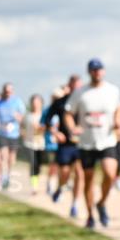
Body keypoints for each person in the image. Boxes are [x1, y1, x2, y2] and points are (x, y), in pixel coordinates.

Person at [65, 59, 120, 229]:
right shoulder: (80, 92)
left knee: (110, 173)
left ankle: (102, 203)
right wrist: (72, 127)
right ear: (89, 72)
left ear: (104, 71)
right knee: (88, 179)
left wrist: (118, 122)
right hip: (86, 142)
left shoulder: (112, 90)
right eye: (94, 70)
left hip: (107, 140)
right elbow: (68, 113)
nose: (97, 72)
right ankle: (90, 215)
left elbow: (118, 109)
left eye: (100, 69)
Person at [45, 75, 85, 218]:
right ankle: (60, 188)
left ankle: (75, 205)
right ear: (69, 86)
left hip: (82, 144)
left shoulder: (85, 103)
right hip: (65, 144)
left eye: (79, 86)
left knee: (80, 173)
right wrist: (55, 133)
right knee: (65, 173)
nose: (76, 89)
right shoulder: (60, 103)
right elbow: (47, 121)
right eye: (74, 86)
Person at [0, 83, 26, 190]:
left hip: (14, 133)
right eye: (6, 91)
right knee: (3, 156)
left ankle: (8, 176)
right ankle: (2, 179)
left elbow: (22, 117)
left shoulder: (18, 101)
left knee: (12, 158)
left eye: (10, 91)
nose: (8, 93)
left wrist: (17, 118)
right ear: (3, 91)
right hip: (2, 133)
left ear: (13, 91)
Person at [21, 94, 46, 195]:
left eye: (37, 103)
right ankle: (34, 187)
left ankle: (37, 182)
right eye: (34, 103)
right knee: (33, 164)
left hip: (41, 144)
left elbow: (47, 127)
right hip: (29, 143)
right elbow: (22, 127)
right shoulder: (27, 116)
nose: (35, 105)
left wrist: (41, 128)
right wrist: (23, 133)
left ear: (41, 103)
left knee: (38, 166)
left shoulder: (44, 115)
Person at [42, 88, 63, 196]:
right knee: (53, 165)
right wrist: (52, 131)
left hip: (62, 143)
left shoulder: (64, 110)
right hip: (50, 143)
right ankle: (50, 184)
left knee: (61, 166)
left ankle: (60, 186)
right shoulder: (47, 110)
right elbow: (43, 124)